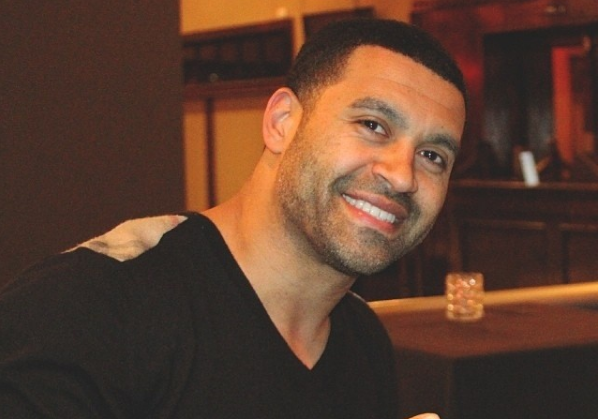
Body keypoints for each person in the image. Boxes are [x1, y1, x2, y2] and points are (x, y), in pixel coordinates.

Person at [0, 17, 466, 419]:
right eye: (373, 126)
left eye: (433, 156)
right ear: (282, 122)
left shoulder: (363, 344)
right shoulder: (91, 309)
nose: (402, 175)